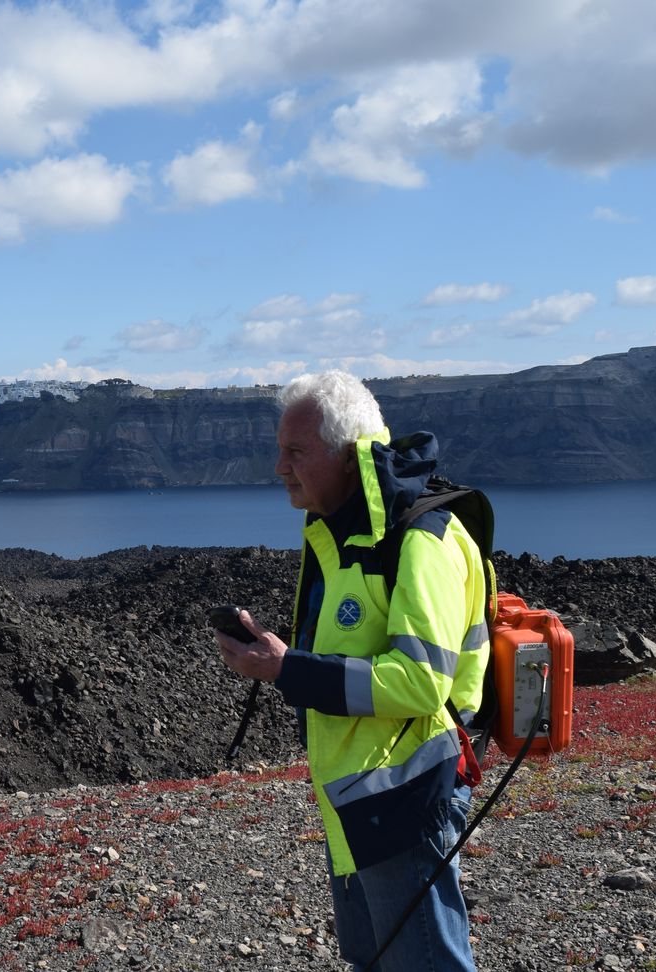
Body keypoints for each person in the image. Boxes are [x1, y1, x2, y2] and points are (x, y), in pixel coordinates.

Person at [216, 371, 489, 971]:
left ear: (346, 453)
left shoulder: (421, 539)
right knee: (377, 959)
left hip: (407, 800)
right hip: (358, 802)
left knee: (425, 963)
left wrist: (288, 669)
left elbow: (421, 681)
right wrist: (282, 661)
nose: (280, 467)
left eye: (295, 452)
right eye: (279, 450)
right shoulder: (341, 537)